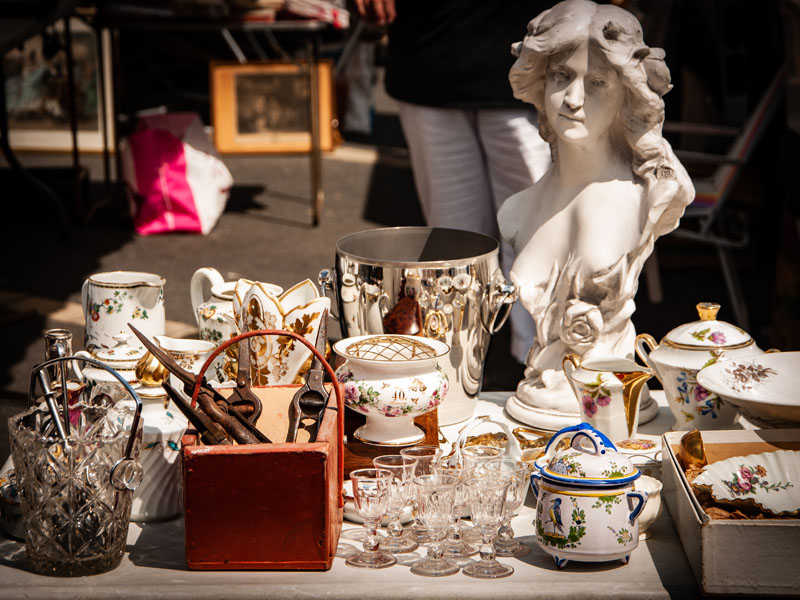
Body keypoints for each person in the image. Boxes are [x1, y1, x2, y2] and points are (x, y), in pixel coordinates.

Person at [497, 0, 694, 424]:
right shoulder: (518, 210)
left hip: (608, 410)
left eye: (597, 82)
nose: (572, 98)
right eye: (561, 76)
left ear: (628, 93)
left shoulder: (647, 198)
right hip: (542, 400)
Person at [353, 0, 553, 366]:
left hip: (524, 53)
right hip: (429, 56)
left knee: (538, 235)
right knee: (452, 248)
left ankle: (540, 366)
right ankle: (460, 365)